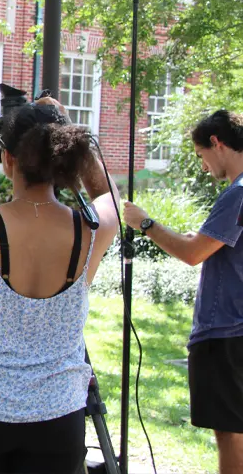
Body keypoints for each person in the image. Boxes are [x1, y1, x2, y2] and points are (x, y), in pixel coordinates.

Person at [0, 97, 119, 474]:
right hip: (57, 415)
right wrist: (64, 125)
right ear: (65, 160)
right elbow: (109, 197)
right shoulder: (90, 230)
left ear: (8, 159)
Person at [124, 109, 243, 474]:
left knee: (232, 433)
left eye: (200, 155)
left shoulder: (238, 193)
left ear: (216, 143)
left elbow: (193, 252)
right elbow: (202, 242)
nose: (204, 166)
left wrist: (143, 223)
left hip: (228, 331)